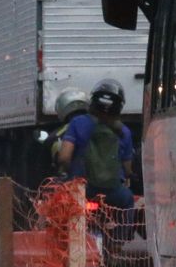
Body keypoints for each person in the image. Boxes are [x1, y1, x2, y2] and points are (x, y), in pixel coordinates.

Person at [56, 78, 135, 232]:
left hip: (81, 190)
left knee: (58, 203)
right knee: (128, 200)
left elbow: (64, 157)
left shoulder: (77, 123)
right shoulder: (124, 131)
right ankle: (119, 241)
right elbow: (127, 168)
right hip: (112, 192)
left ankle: (67, 239)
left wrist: (68, 171)